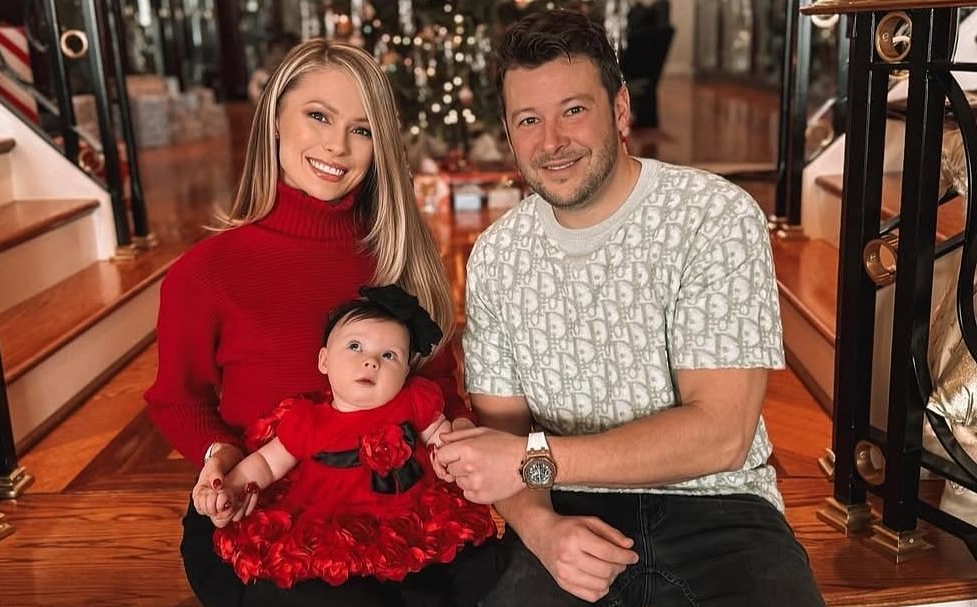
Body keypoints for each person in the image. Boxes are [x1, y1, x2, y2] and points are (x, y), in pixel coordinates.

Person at [435, 10, 826, 607]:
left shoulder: (713, 217)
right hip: (567, 509)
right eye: (528, 120)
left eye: (573, 110)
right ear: (510, 136)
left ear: (619, 110)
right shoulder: (495, 257)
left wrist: (534, 461)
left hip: (721, 511)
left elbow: (720, 435)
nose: (551, 142)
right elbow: (503, 440)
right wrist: (542, 531)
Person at [145, 39, 489, 606]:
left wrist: (450, 432)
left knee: (493, 580)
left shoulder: (399, 254)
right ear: (276, 118)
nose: (337, 144)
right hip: (270, 518)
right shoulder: (207, 272)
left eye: (362, 129)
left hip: (396, 509)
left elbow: (438, 387)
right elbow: (177, 401)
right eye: (318, 116)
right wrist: (218, 455)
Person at [211, 285, 495, 595]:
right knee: (332, 584)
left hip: (406, 516)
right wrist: (234, 485)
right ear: (324, 361)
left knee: (468, 568)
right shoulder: (308, 420)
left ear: (405, 372)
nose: (371, 361)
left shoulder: (413, 400)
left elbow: (439, 434)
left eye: (389, 355)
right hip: (332, 519)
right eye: (355, 347)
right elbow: (267, 462)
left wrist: (447, 452)